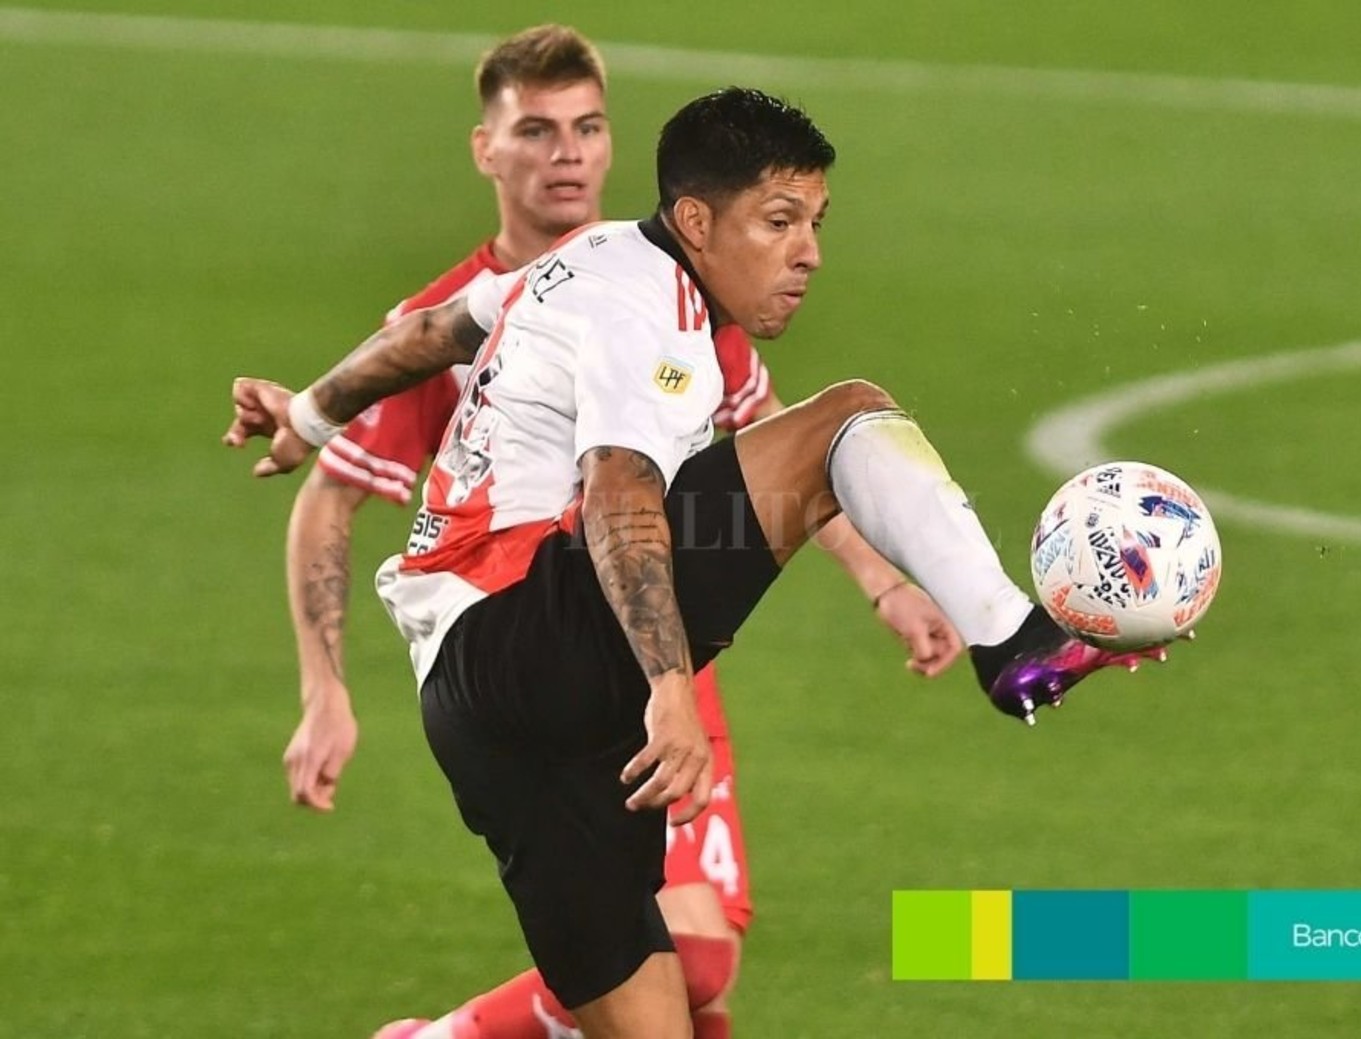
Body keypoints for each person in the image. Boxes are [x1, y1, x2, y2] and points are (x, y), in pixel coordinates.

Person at [226, 86, 1163, 1039]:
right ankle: (1012, 643)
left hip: (474, 716)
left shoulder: (578, 260)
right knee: (847, 416)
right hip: (530, 634)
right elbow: (619, 488)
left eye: (815, 222)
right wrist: (669, 687)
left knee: (668, 1010)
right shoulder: (650, 311)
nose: (808, 252)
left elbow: (428, 335)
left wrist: (306, 414)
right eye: (779, 221)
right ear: (696, 221)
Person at [274, 29, 958, 1039]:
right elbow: (331, 501)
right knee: (675, 967)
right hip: (548, 655)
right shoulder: (462, 316)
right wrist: (323, 687)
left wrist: (884, 583)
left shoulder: (692, 286)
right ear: (486, 150)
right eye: (537, 131)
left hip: (663, 648)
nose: (567, 154)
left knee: (700, 964)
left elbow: (772, 453)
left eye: (587, 128)